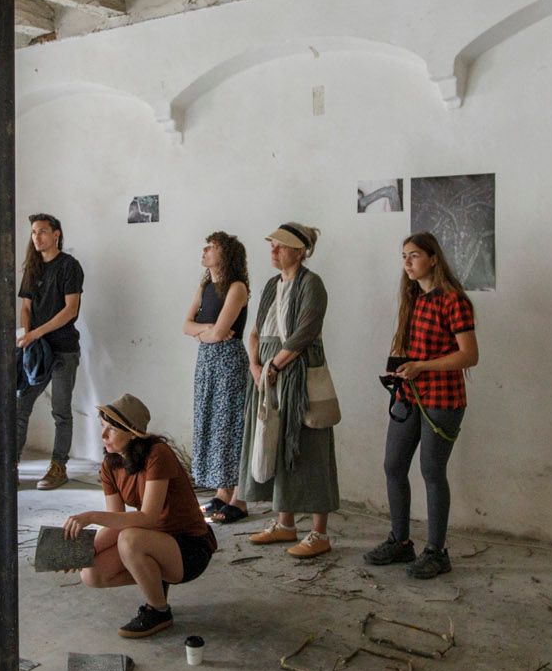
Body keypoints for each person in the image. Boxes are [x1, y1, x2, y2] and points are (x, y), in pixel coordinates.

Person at [366, 233, 478, 579]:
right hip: (409, 395)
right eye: (404, 256)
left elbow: (469, 355)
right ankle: (400, 541)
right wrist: (402, 368)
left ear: (433, 259)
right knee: (393, 465)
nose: (407, 262)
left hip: (442, 399)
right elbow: (413, 350)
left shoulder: (453, 300)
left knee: (432, 471)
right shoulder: (413, 299)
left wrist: (422, 367)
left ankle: (436, 552)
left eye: (414, 255)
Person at [64, 395, 217, 639]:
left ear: (133, 433)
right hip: (155, 542)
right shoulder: (110, 464)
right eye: (103, 427)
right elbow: (116, 520)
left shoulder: (158, 454)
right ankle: (153, 577)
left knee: (130, 539)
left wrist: (91, 516)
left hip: (189, 547)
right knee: (91, 574)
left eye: (112, 430)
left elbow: (148, 517)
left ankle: (158, 610)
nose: (103, 435)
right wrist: (82, 552)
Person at [239, 223, 341, 558]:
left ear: (299, 251)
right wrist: (256, 366)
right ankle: (285, 524)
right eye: (272, 244)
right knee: (275, 442)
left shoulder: (312, 284)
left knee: (310, 447)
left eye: (280, 246)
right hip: (268, 375)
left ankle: (319, 533)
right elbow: (255, 332)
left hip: (297, 376)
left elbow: (304, 333)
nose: (273, 250)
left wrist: (274, 367)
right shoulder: (272, 285)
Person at [183, 231, 251, 523]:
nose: (205, 250)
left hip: (229, 363)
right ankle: (223, 494)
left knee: (231, 428)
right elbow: (186, 326)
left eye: (212, 247)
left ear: (226, 254)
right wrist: (206, 331)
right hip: (207, 363)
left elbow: (221, 333)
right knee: (211, 424)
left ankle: (239, 499)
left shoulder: (237, 287)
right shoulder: (205, 286)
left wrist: (204, 332)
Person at [14, 213, 84, 491]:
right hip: (37, 351)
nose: (37, 237)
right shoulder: (32, 267)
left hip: (64, 349)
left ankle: (58, 467)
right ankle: (10, 465)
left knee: (61, 411)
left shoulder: (69, 266)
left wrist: (36, 333)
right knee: (21, 405)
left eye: (42, 231)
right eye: (33, 232)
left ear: (56, 234)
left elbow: (70, 310)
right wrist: (27, 335)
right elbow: (25, 307)